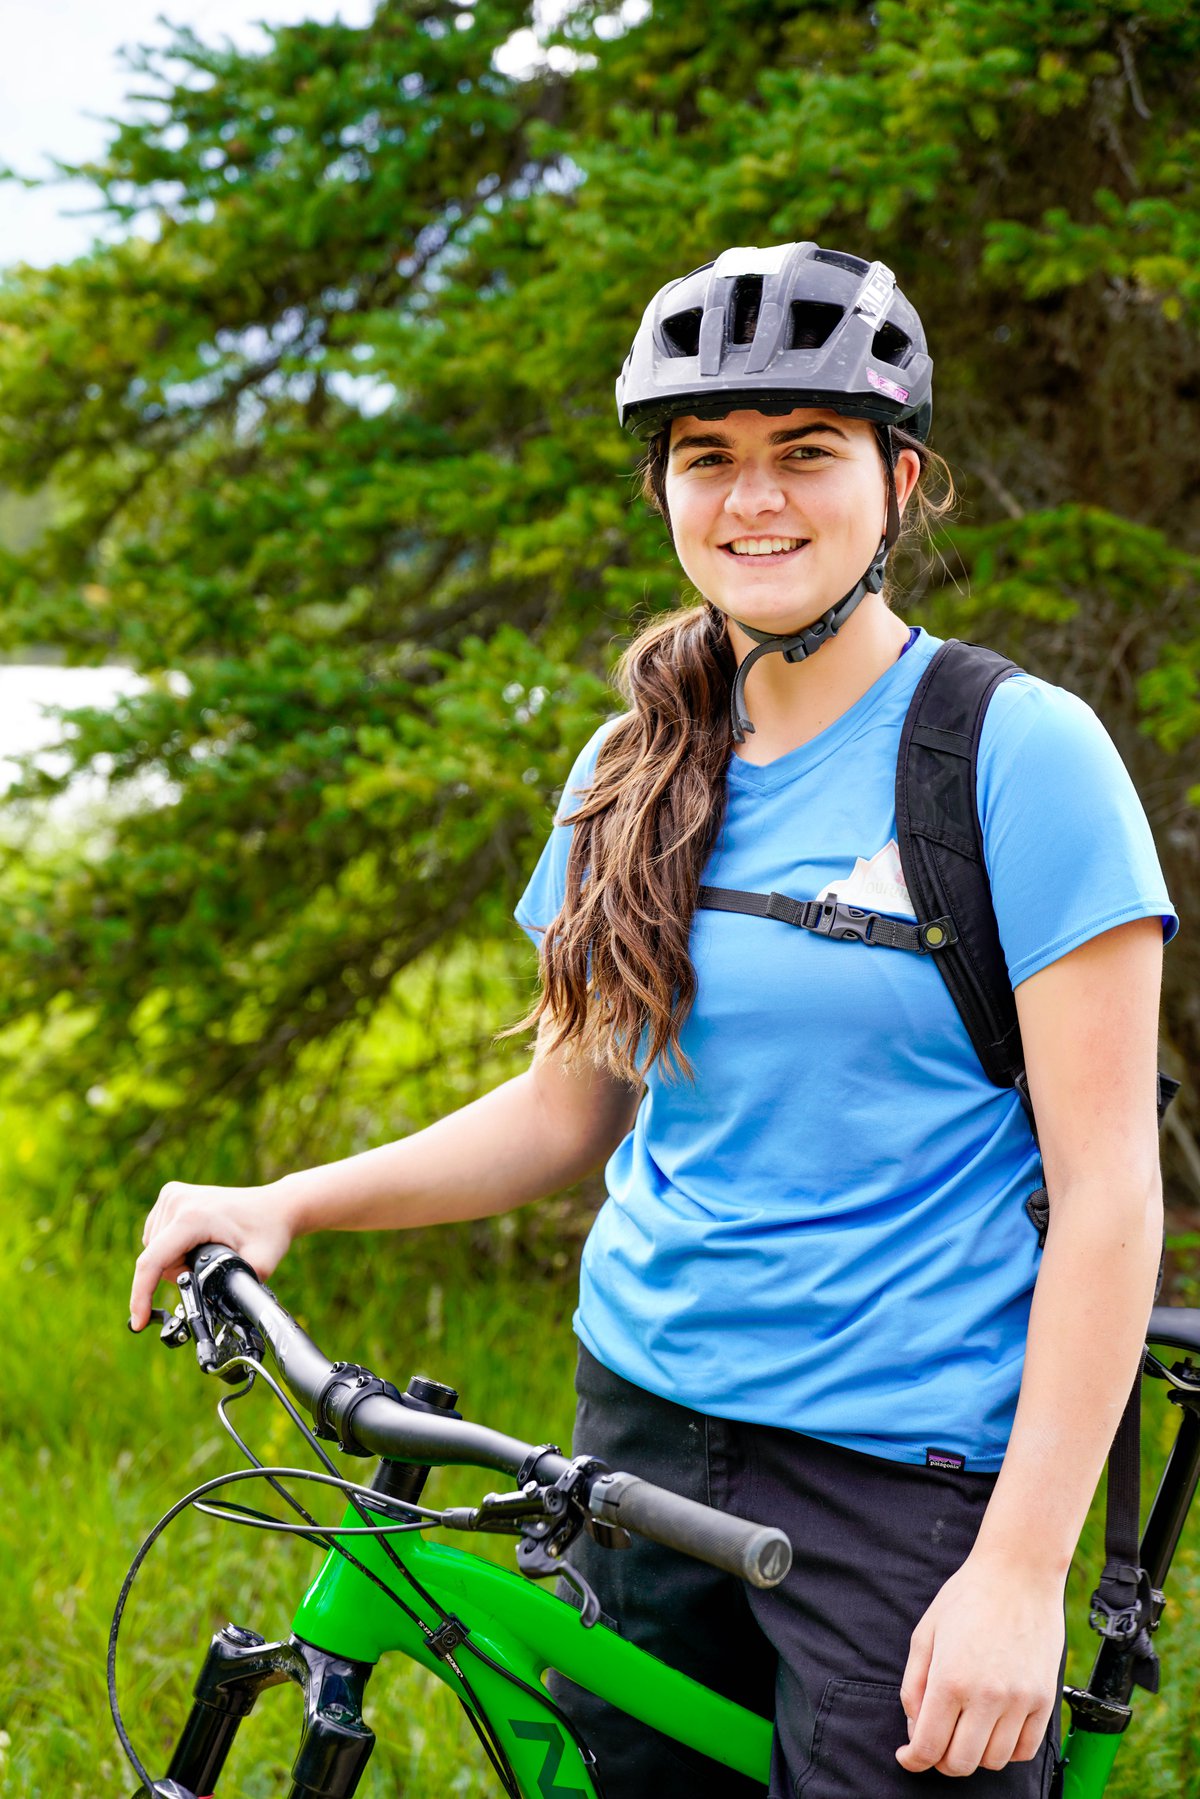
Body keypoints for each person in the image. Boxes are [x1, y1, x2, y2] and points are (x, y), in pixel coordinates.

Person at [131, 242, 1178, 1797]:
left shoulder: (1016, 755)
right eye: (710, 459)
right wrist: (287, 1201)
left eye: (804, 454)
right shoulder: (635, 766)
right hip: (631, 1434)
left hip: (900, 1476)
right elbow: (571, 1109)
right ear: (665, 493)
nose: (755, 499)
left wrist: (1022, 1569)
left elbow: (1109, 1194)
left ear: (899, 481)